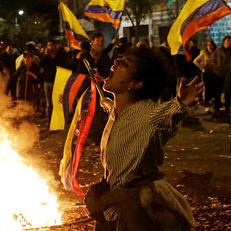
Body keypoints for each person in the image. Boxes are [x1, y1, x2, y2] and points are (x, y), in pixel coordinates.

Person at [84, 47, 203, 230]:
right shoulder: (116, 112)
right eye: (118, 59)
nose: (115, 62)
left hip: (139, 208)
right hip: (115, 204)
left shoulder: (149, 114)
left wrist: (181, 102)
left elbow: (168, 113)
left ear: (136, 83)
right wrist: (106, 103)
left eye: (124, 62)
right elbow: (108, 105)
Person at [213, 35, 231, 115]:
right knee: (217, 92)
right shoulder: (218, 51)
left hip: (228, 75)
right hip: (218, 75)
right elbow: (213, 61)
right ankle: (217, 109)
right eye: (227, 41)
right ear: (224, 42)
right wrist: (216, 70)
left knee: (228, 93)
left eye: (230, 41)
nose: (229, 43)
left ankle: (227, 108)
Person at [193, 40, 217, 111]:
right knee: (207, 89)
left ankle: (214, 105)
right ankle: (207, 105)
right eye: (208, 45)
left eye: (211, 45)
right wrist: (202, 66)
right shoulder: (204, 53)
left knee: (214, 89)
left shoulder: (215, 52)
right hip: (206, 73)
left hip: (214, 73)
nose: (210, 46)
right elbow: (195, 61)